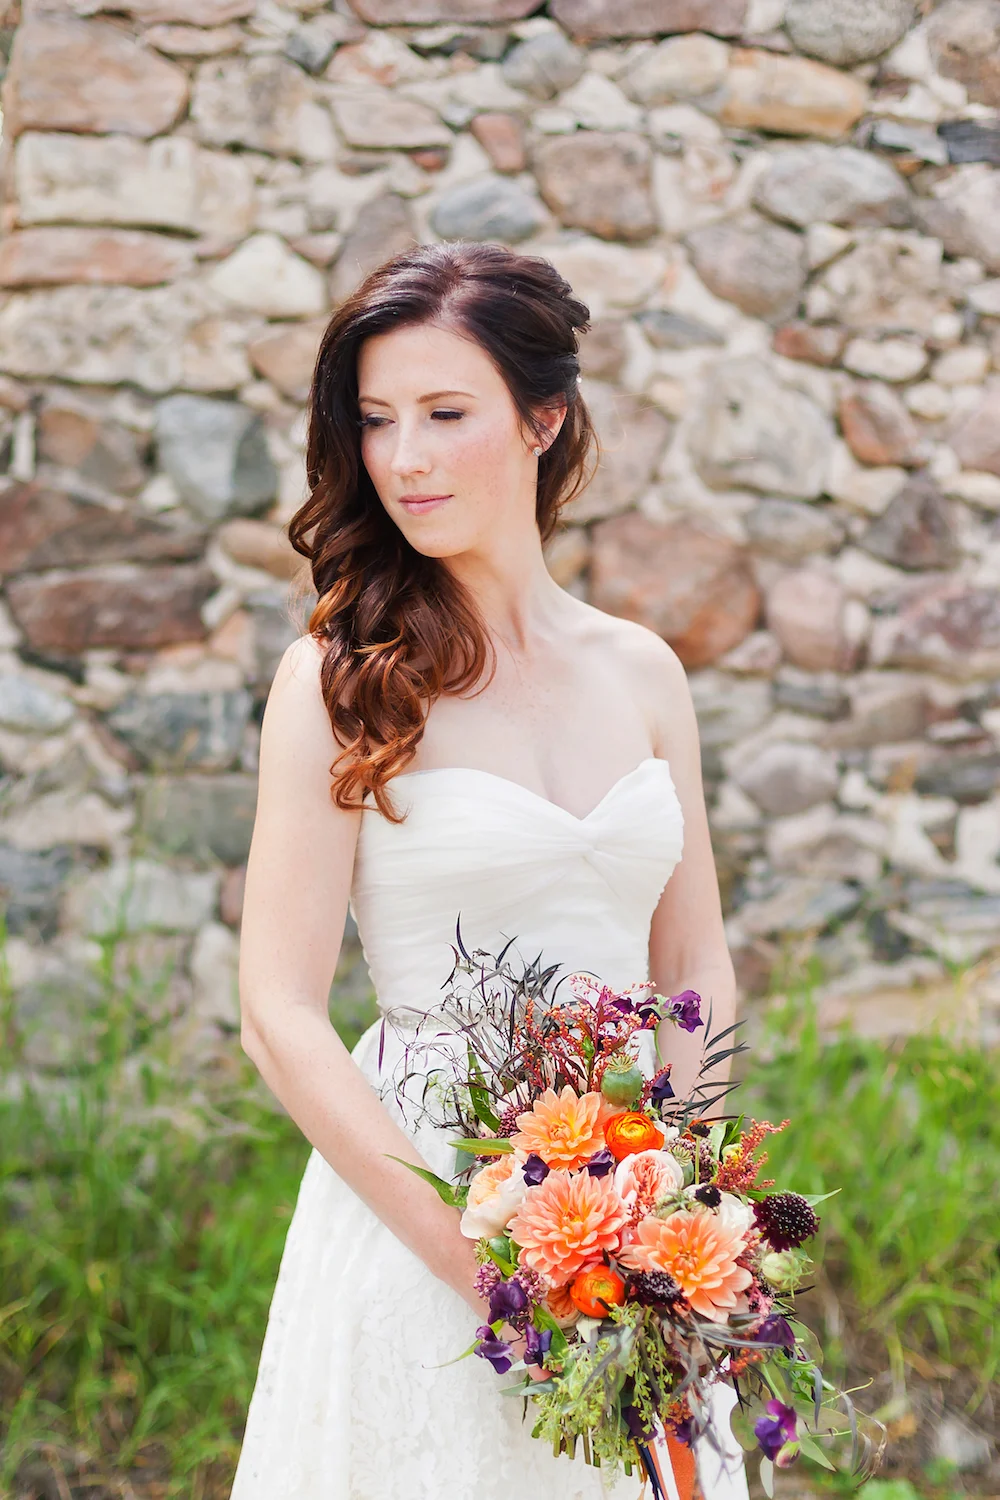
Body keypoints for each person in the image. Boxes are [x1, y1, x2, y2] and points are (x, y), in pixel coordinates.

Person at [232, 241, 748, 1500]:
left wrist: (671, 1219)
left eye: (445, 415)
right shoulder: (339, 679)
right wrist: (491, 1273)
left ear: (543, 416)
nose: (403, 458)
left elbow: (693, 964)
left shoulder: (641, 674)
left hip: (630, 1198)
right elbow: (279, 1015)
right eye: (374, 421)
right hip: (424, 1207)